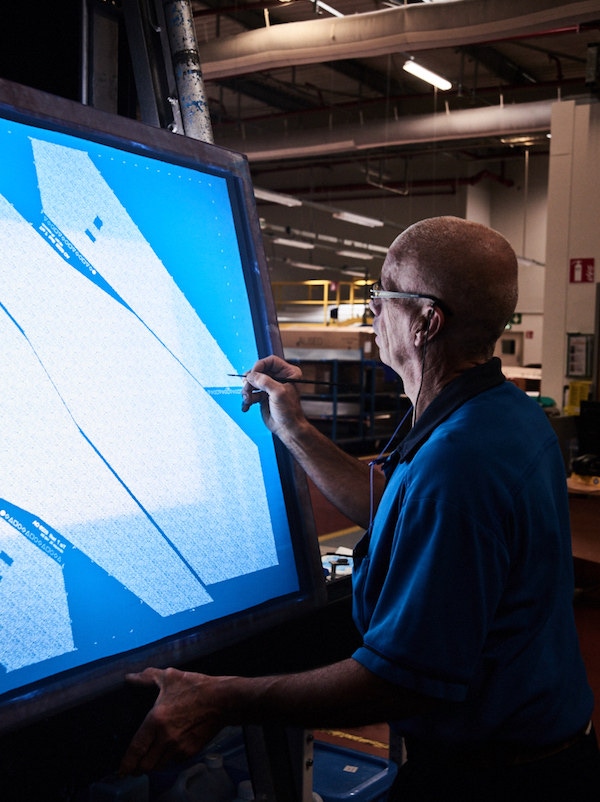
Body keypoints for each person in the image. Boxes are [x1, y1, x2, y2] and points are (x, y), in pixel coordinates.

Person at [120, 216, 600, 799]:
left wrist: (221, 698)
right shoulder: (501, 415)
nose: (369, 308)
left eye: (382, 293)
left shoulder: (460, 461)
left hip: (500, 779)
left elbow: (396, 683)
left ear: (426, 321)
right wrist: (292, 428)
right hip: (539, 754)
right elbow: (396, 512)